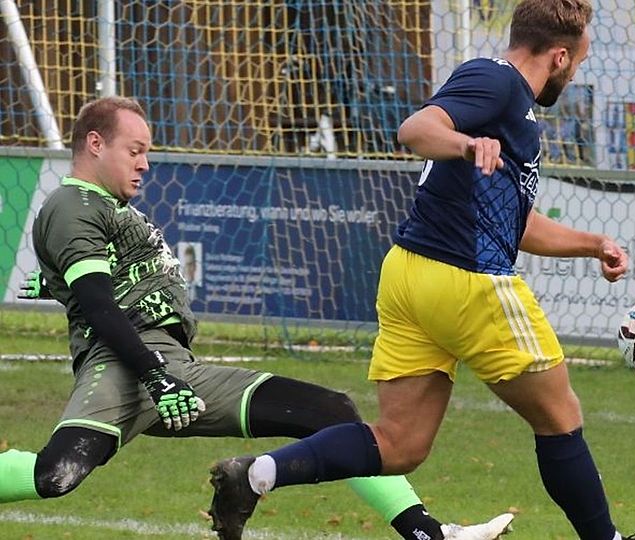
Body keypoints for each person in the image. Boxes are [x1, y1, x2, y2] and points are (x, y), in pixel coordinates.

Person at [209, 1, 635, 539]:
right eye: (577, 61)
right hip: (468, 280)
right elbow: (416, 128)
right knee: (559, 415)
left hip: (410, 276)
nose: (575, 72)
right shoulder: (499, 82)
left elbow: (516, 222)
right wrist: (464, 143)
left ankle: (256, 474)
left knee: (399, 443)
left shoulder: (508, 106)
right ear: (559, 56)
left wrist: (592, 243)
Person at [0, 96, 514, 540]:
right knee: (56, 475)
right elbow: (98, 304)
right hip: (125, 368)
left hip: (175, 369)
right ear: (95, 144)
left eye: (147, 153)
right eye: (135, 151)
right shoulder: (74, 203)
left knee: (334, 410)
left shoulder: (102, 206)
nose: (145, 164)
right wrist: (155, 375)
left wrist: (57, 281)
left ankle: (429, 532)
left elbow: (99, 279)